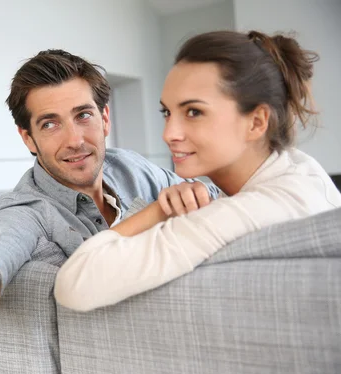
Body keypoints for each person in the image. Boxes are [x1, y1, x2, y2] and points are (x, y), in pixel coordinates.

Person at [0, 49, 220, 322]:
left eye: (83, 116)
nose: (75, 140)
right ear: (28, 138)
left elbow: (217, 196)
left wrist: (201, 192)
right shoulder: (26, 212)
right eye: (50, 124)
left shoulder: (130, 166)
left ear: (104, 119)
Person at [54, 30, 341, 312]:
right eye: (167, 112)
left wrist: (159, 211)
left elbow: (73, 283)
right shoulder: (302, 169)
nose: (169, 134)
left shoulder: (245, 211)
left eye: (194, 112)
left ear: (256, 122)